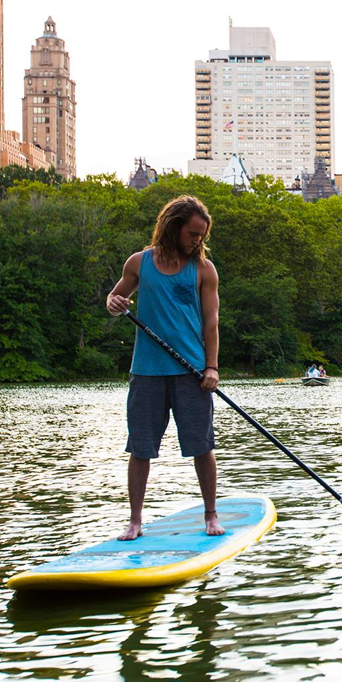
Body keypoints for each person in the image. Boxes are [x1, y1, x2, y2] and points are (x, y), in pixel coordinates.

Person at [106, 195, 223, 541]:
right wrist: (115, 303)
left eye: (202, 235)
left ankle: (211, 515)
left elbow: (211, 322)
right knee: (140, 448)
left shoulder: (204, 269)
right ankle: (135, 521)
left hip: (192, 373)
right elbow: (115, 302)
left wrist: (212, 367)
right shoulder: (139, 263)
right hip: (147, 372)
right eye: (192, 233)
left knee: (201, 446)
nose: (197, 240)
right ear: (173, 228)